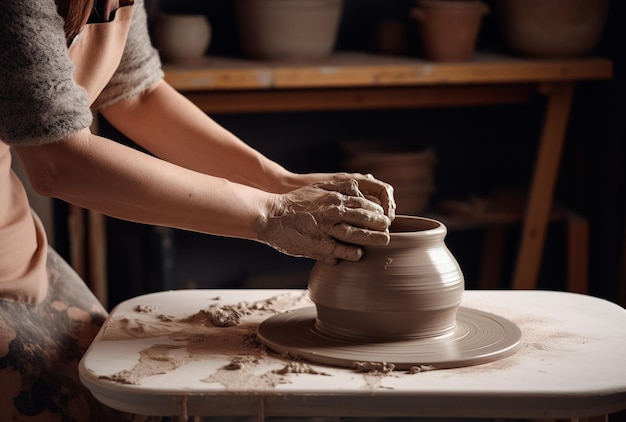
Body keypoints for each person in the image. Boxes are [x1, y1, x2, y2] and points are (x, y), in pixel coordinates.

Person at [0, 0, 395, 420]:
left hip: (14, 238)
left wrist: (281, 182)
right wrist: (270, 213)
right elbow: (59, 162)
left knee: (127, 398)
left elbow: (135, 92)